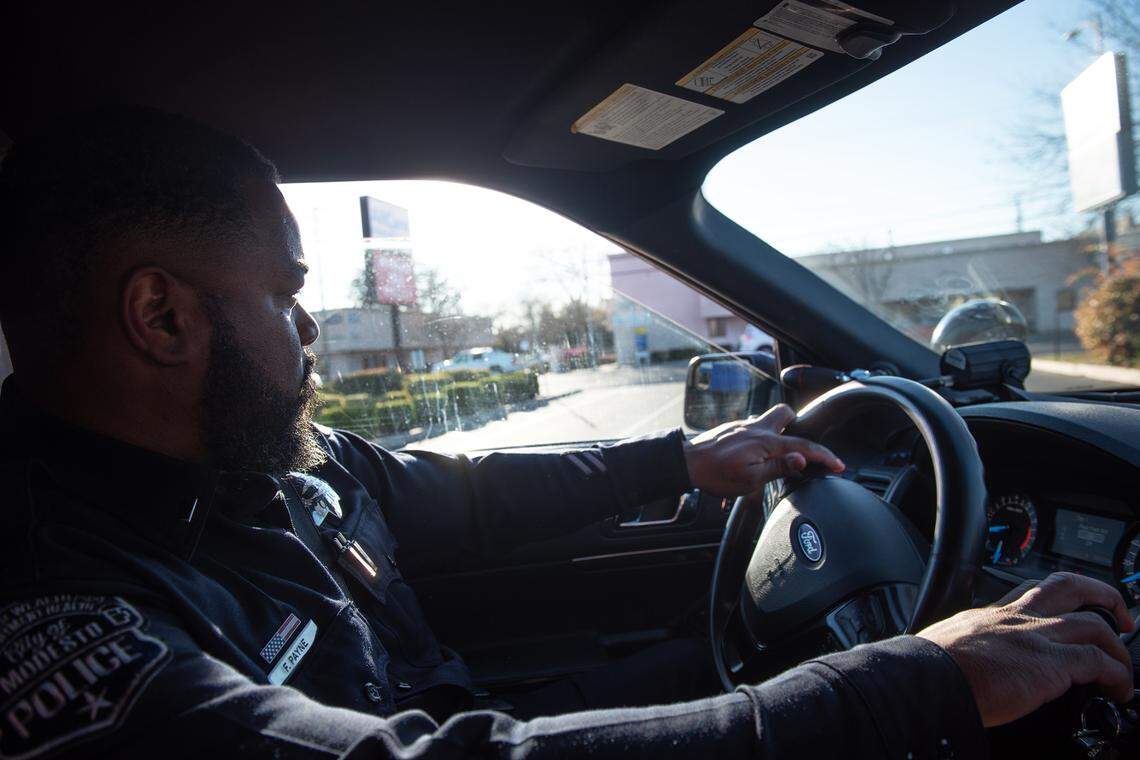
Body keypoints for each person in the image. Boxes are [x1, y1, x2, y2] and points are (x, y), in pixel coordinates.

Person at [0, 107, 1131, 759]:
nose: (306, 330)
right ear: (161, 315)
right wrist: (918, 679)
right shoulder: (62, 617)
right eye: (286, 294)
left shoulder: (270, 464)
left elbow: (474, 494)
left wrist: (686, 461)